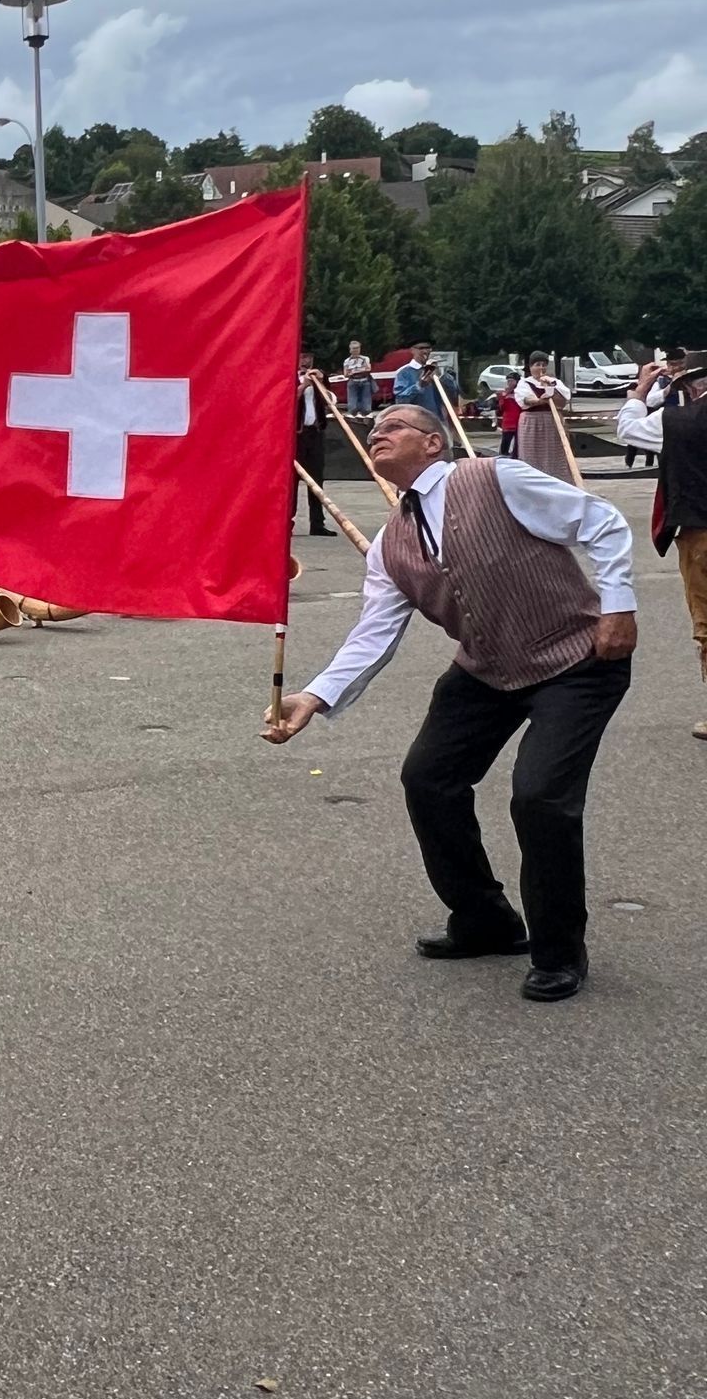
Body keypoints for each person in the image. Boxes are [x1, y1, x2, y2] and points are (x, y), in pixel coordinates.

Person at [264, 395, 636, 1002]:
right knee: (429, 778)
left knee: (540, 798)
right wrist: (315, 695)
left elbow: (602, 523)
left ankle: (560, 951)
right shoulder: (390, 543)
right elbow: (374, 634)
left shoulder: (494, 477)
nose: (377, 434)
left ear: (433, 442)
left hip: (578, 660)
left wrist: (618, 607)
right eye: (373, 428)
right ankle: (485, 921)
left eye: (393, 426)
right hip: (486, 669)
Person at [616, 355, 707, 739]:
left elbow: (629, 429)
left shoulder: (679, 422)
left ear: (693, 386)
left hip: (701, 531)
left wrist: (639, 391)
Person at [514, 354, 576, 483]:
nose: (541, 368)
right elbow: (526, 399)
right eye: (537, 365)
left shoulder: (555, 382)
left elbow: (564, 399)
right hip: (532, 422)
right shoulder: (524, 383)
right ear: (530, 367)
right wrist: (540, 400)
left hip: (552, 421)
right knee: (532, 455)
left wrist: (551, 385)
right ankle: (532, 482)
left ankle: (559, 482)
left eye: (543, 364)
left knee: (556, 454)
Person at [294, 350, 332, 537]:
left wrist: (320, 382)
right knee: (291, 482)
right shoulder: (288, 378)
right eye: (303, 356)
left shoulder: (320, 378)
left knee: (317, 480)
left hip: (315, 433)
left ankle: (317, 524)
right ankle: (287, 524)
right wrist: (303, 387)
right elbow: (284, 402)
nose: (306, 361)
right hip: (295, 436)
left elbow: (330, 401)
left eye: (309, 357)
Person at [392, 345, 459, 433]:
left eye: (428, 348)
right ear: (412, 350)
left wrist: (441, 375)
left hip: (437, 422)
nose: (425, 351)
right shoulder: (404, 372)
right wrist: (419, 386)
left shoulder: (439, 372)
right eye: (421, 348)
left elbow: (453, 394)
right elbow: (401, 400)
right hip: (415, 424)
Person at [341, 340, 373, 417]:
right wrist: (354, 372)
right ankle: (353, 414)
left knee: (366, 400)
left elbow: (368, 369)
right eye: (354, 348)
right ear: (350, 350)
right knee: (352, 401)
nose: (356, 350)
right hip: (353, 381)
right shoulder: (347, 361)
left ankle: (366, 414)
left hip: (364, 380)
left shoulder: (365, 359)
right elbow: (345, 374)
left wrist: (356, 371)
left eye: (357, 348)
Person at [495, 373, 524, 459]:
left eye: (512, 381)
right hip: (508, 422)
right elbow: (501, 408)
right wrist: (502, 397)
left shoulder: (521, 392)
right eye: (508, 381)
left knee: (518, 445)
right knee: (505, 444)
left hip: (519, 421)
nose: (509, 383)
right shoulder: (505, 393)